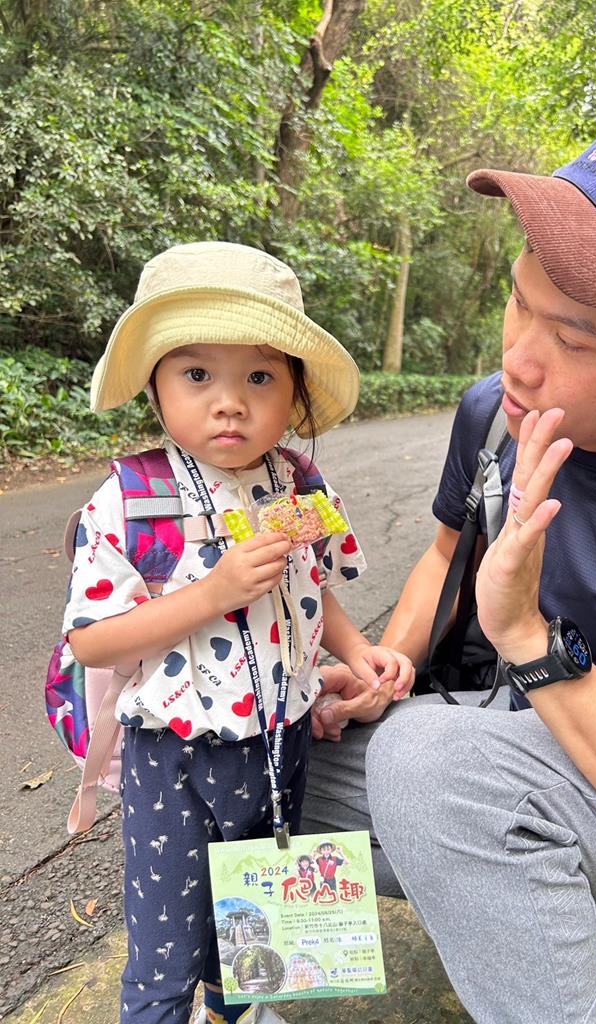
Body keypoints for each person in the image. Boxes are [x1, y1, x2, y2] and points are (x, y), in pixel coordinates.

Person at [302, 110, 596, 1022]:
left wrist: (525, 636)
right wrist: (386, 664)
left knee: (432, 769)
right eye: (519, 302)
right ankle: (503, 888)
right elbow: (447, 551)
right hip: (509, 737)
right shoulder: (492, 413)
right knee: (231, 746)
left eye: (575, 338)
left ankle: (522, 884)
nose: (519, 359)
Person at [61, 241, 414, 1024]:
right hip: (174, 754)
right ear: (153, 384)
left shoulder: (297, 483)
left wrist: (360, 652)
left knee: (251, 919)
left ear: (295, 391)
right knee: (165, 945)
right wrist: (212, 594)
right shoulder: (133, 499)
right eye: (197, 374)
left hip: (282, 741)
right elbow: (93, 641)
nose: (230, 402)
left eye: (259, 377)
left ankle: (234, 1011)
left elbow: (311, 584)